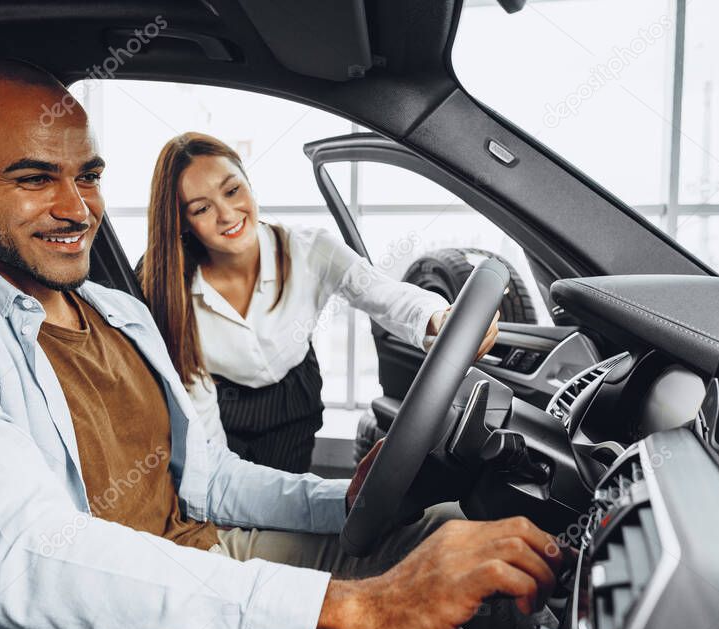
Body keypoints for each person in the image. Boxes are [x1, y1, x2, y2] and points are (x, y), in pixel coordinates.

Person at [0, 59, 562, 629]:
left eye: (87, 176)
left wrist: (343, 501)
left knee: (449, 536)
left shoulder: (116, 312)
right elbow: (28, 556)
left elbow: (210, 479)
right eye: (35, 179)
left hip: (209, 548)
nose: (75, 208)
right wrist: (359, 609)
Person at [141, 133, 500, 473]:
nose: (227, 214)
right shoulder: (175, 291)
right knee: (233, 506)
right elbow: (203, 431)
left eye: (232, 190)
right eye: (202, 209)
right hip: (223, 403)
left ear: (248, 182)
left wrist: (439, 317)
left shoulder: (310, 249)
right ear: (182, 222)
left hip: (293, 398)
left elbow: (385, 296)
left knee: (285, 506)